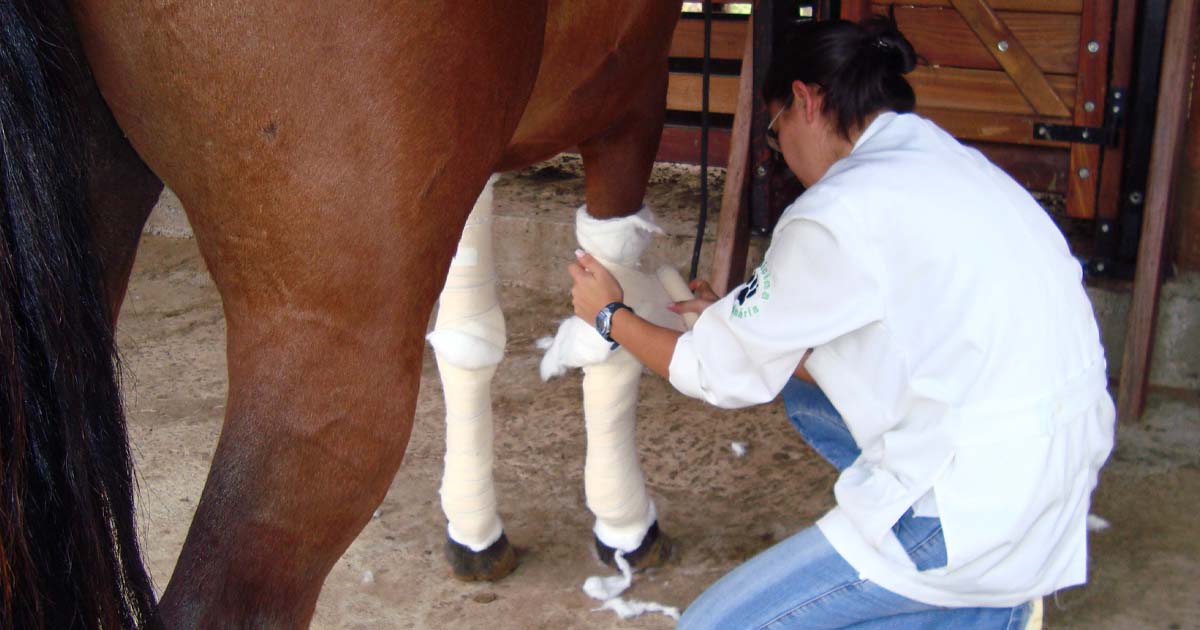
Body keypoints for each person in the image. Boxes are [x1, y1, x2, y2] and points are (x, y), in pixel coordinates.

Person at [566, 16, 1115, 630]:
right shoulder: (946, 159)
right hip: (1055, 477)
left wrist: (610, 316)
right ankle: (992, 598)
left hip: (968, 512)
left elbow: (714, 373)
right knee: (805, 397)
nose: (782, 154)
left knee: (709, 625)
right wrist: (737, 320)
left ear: (805, 100)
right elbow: (876, 339)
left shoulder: (835, 210)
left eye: (776, 134)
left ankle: (978, 595)